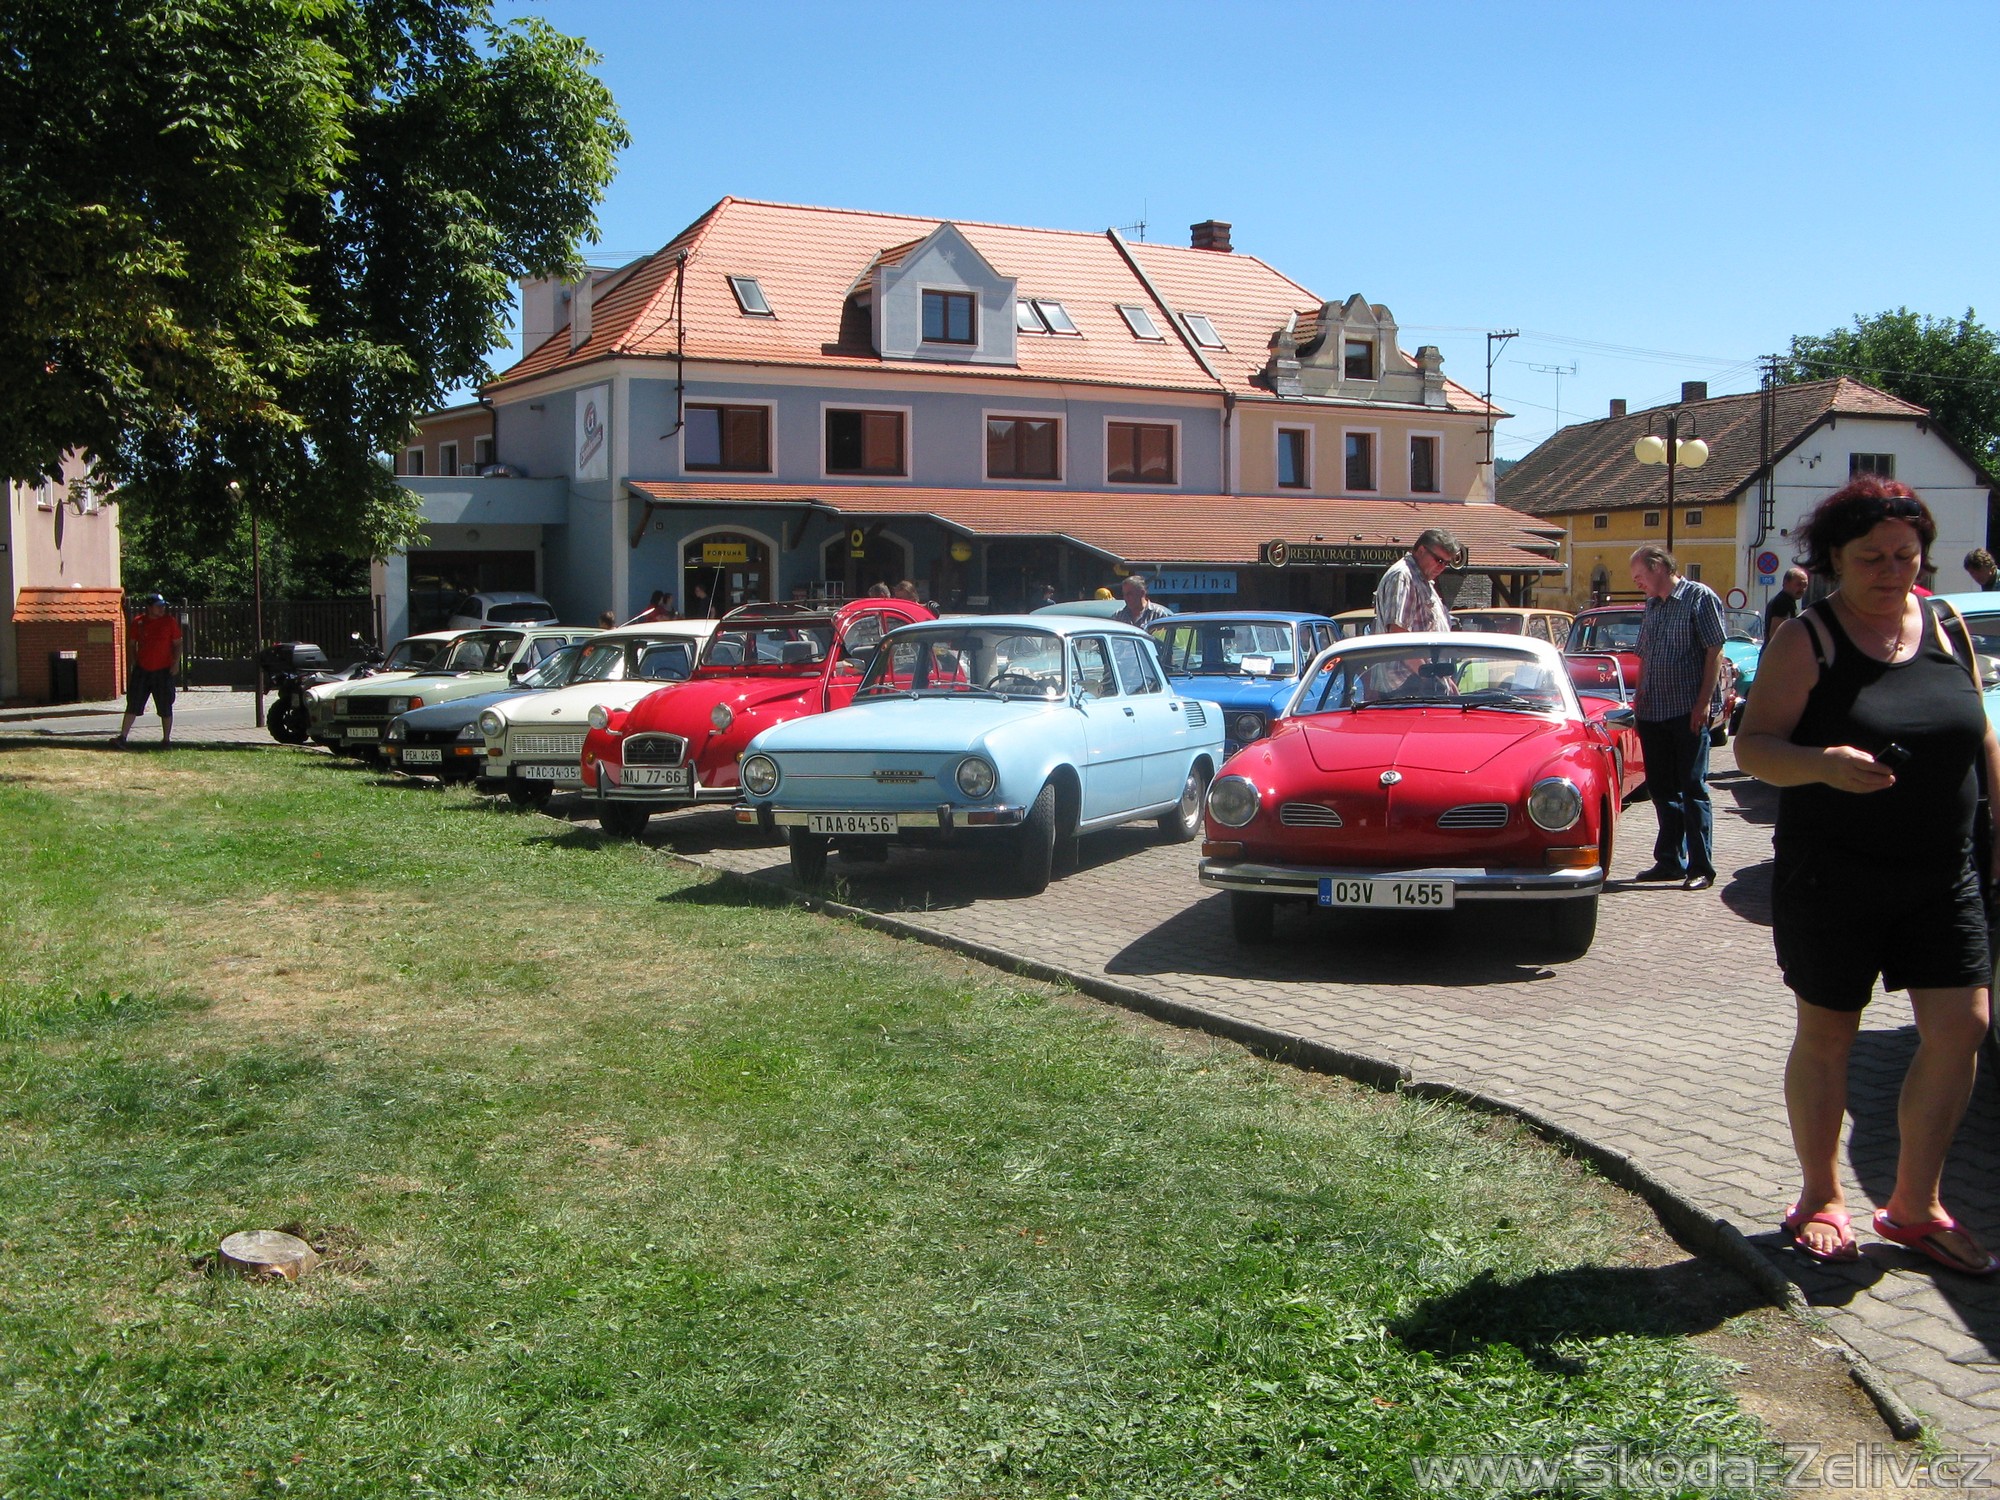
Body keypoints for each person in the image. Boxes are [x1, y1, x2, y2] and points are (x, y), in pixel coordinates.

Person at [1737, 476, 1999, 1274]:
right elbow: (1754, 747)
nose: (1891, 572)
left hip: (1943, 873)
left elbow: (1981, 737)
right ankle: (1819, 1197)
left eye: (1905, 555)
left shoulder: (1946, 623)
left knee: (1963, 1026)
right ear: (1835, 559)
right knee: (1830, 1035)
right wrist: (1821, 764)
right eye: (1871, 558)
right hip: (1834, 877)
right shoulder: (1807, 639)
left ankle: (1915, 1205)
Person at [1628, 545, 1726, 889]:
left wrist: (1703, 703)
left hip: (1687, 710)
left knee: (1692, 788)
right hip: (1654, 711)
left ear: (1658, 567)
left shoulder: (1700, 598)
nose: (1637, 582)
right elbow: (1644, 656)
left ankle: (1701, 867)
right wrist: (1638, 699)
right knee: (1662, 789)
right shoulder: (1653, 605)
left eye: (1639, 575)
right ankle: (1670, 860)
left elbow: (1715, 650)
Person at [113, 594, 181, 747]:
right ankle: (122, 737)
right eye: (158, 606)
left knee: (165, 706)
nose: (162, 609)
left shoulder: (169, 622)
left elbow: (177, 643)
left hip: (163, 670)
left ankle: (166, 740)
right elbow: (132, 644)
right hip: (142, 670)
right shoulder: (139, 622)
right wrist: (134, 662)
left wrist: (176, 662)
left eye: (163, 606)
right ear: (149, 607)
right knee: (133, 704)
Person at [1373, 527, 1458, 634]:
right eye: (1439, 560)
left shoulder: (1421, 579)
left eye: (1446, 563)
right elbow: (1398, 633)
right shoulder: (1404, 576)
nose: (1442, 567)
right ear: (1421, 551)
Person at [1764, 567, 1807, 638]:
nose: (1802, 589)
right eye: (1799, 584)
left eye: (1805, 585)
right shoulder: (1782, 602)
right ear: (1786, 583)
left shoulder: (1787, 600)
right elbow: (1776, 633)